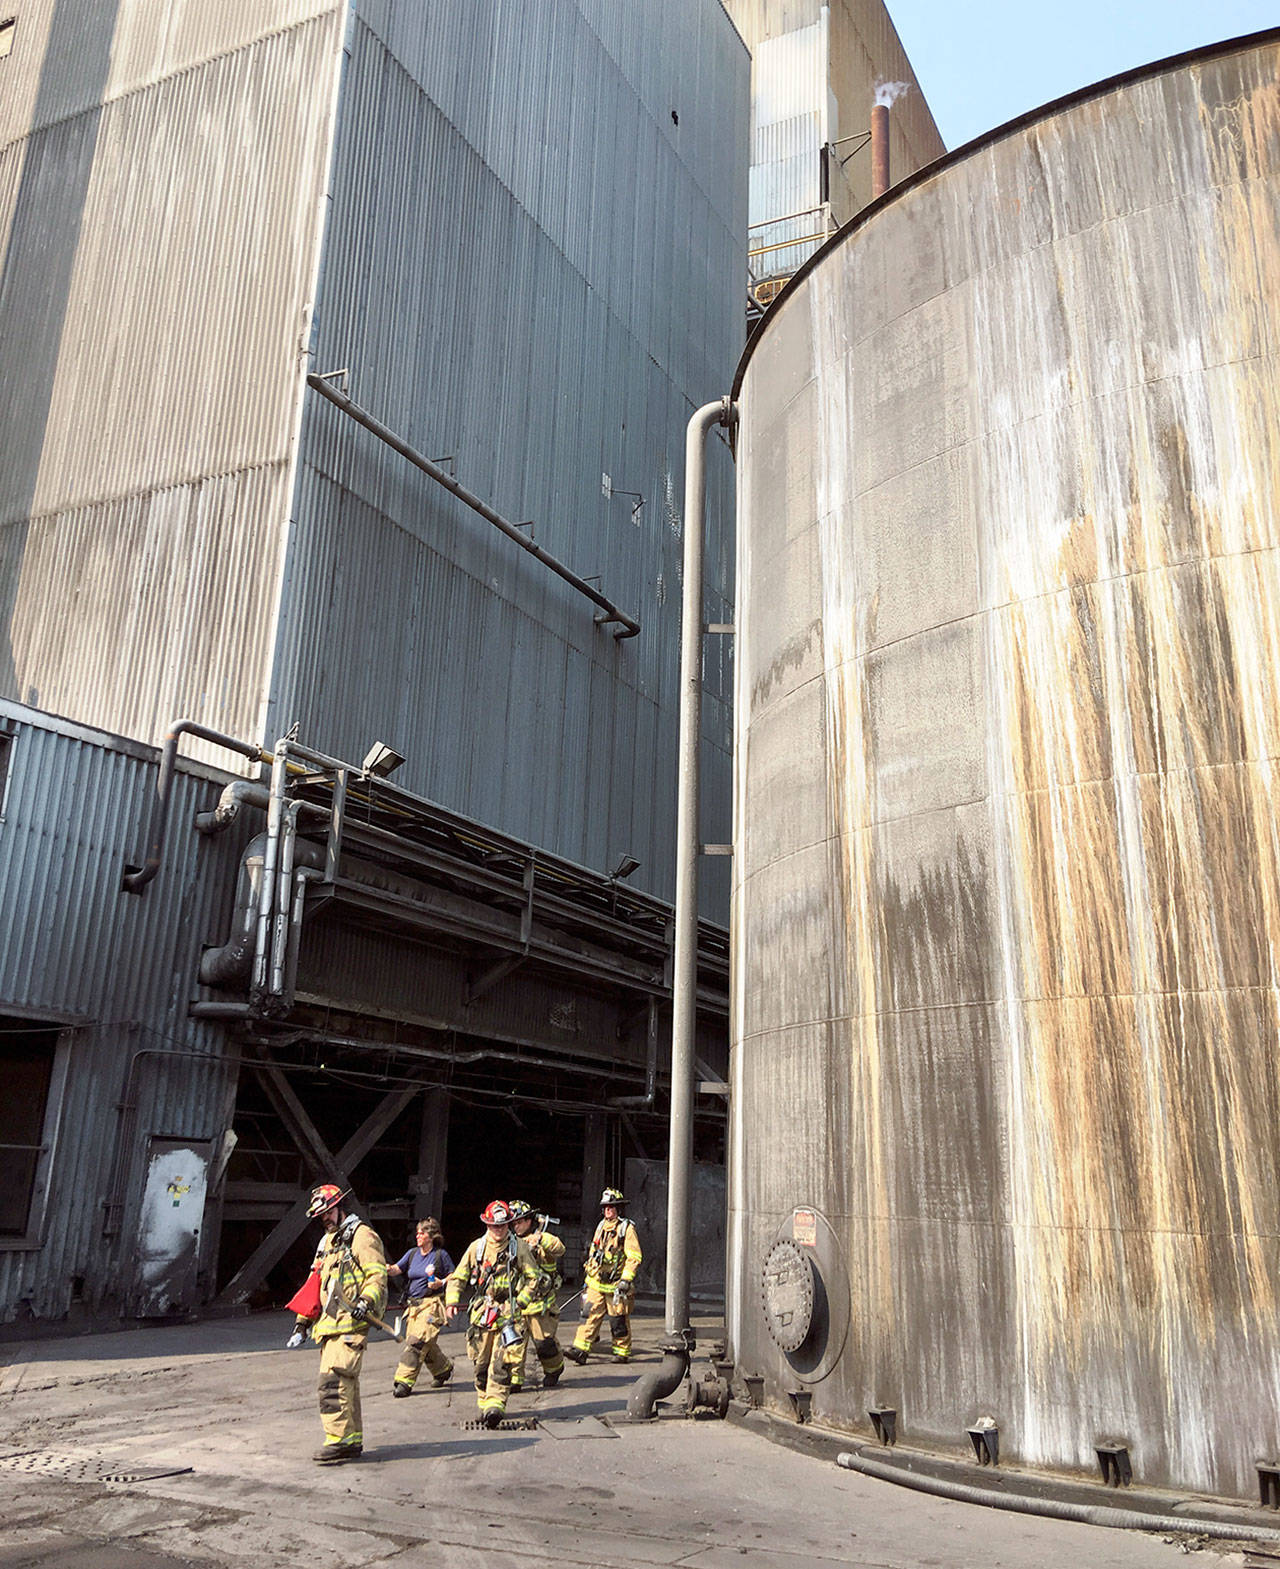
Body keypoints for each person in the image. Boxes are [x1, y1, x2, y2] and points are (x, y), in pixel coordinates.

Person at [287, 1181, 388, 1463]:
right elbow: (314, 1283)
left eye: (328, 1213)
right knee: (346, 1385)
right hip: (328, 1327)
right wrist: (302, 1323)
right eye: (321, 1216)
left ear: (339, 1207)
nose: (324, 1219)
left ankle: (338, 1440)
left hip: (350, 1324)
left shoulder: (363, 1236)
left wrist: (366, 1302)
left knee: (333, 1383)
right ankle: (351, 1440)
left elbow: (377, 1276)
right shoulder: (327, 1242)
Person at [444, 1200, 537, 1427]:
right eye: (495, 1226)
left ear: (508, 1225)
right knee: (480, 1364)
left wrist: (520, 1303)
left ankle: (496, 1404)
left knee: (501, 1363)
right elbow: (459, 1277)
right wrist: (452, 1301)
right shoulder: (477, 1248)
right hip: (482, 1315)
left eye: (503, 1225)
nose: (499, 1230)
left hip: (509, 1316)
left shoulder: (519, 1248)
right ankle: (484, 1402)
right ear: (487, 1224)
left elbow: (534, 1279)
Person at [564, 1187, 641, 1364]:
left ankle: (621, 1352)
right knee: (589, 1315)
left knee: (618, 1320)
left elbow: (634, 1256)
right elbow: (594, 1252)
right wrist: (589, 1275)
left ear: (619, 1209)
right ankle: (581, 1350)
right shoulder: (600, 1226)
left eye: (612, 1207)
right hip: (597, 1283)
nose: (608, 1210)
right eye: (606, 1207)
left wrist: (626, 1279)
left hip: (616, 1286)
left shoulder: (626, 1229)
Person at [388, 1216, 454, 1396]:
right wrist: (384, 1268)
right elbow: (396, 1269)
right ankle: (443, 1369)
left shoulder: (441, 1256)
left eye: (422, 1233)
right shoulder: (412, 1254)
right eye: (417, 1233)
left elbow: (454, 1276)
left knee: (416, 1343)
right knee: (426, 1342)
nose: (418, 1236)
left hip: (431, 1305)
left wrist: (440, 1283)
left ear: (431, 1236)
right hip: (414, 1308)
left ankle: (404, 1381)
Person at [508, 1199, 566, 1390]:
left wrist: (541, 1240)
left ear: (529, 1221)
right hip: (517, 1302)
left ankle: (554, 1369)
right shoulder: (510, 1243)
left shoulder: (542, 1239)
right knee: (513, 1343)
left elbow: (560, 1249)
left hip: (541, 1305)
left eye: (519, 1221)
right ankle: (515, 1380)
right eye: (513, 1222)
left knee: (544, 1345)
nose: (516, 1225)